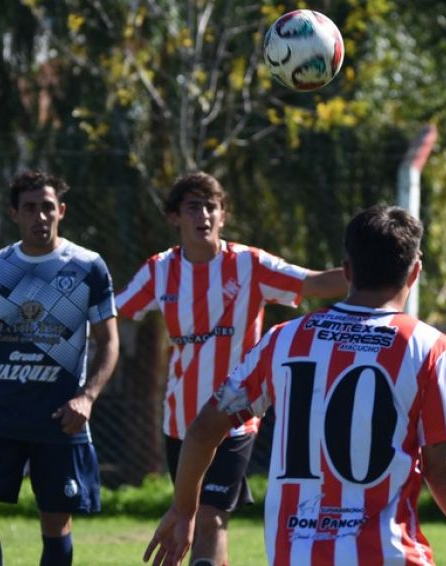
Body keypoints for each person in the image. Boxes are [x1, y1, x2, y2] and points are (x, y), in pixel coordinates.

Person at [143, 204, 446, 566]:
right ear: (415, 272)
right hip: (389, 555)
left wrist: (183, 509)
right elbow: (442, 468)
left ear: (346, 270)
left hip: (295, 556)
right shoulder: (429, 347)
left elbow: (203, 429)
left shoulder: (284, 340)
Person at [116, 171, 348, 566]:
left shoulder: (249, 265)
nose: (203, 214)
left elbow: (312, 283)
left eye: (212, 206)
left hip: (236, 414)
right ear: (175, 217)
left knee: (210, 516)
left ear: (223, 215)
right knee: (190, 520)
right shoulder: (160, 270)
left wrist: (379, 271)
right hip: (182, 422)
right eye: (193, 207)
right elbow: (114, 308)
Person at [0, 170, 120, 566]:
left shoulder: (88, 267)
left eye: (47, 208)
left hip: (60, 419)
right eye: (29, 209)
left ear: (61, 211)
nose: (39, 217)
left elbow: (110, 343)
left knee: (56, 521)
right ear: (14, 214)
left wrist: (87, 398)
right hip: (0, 416)